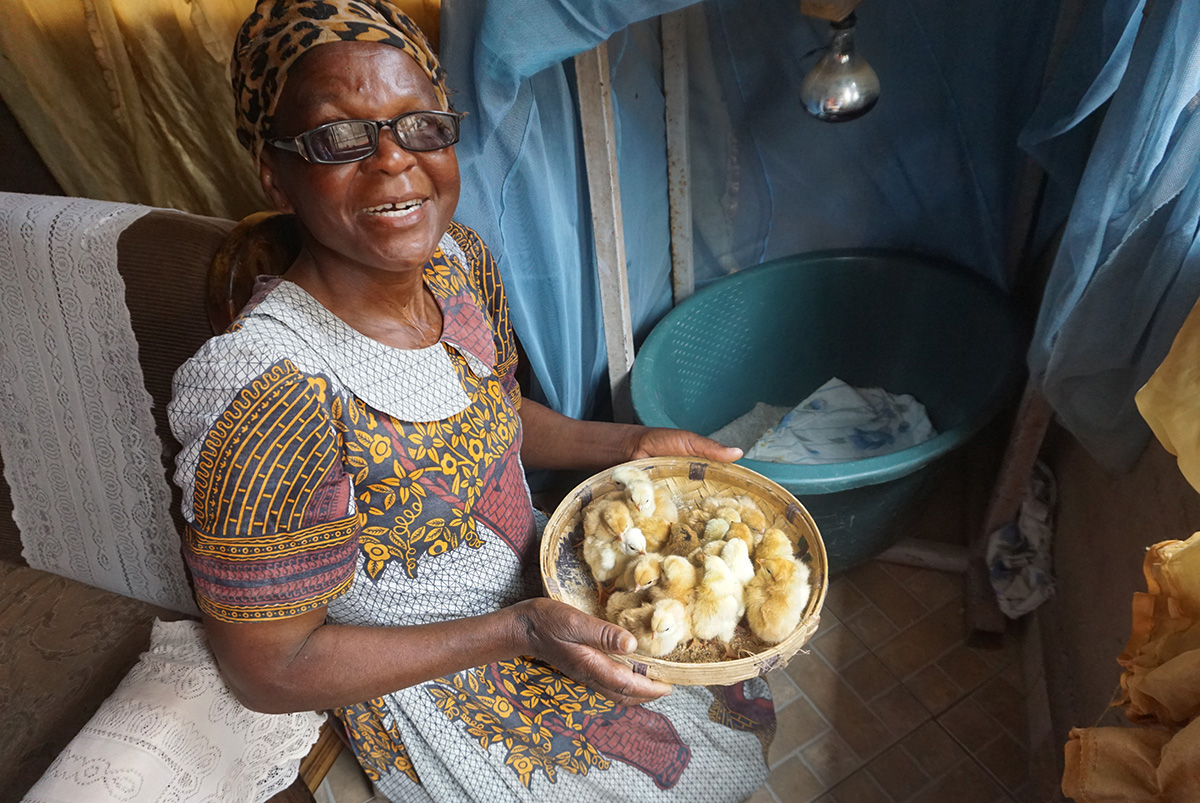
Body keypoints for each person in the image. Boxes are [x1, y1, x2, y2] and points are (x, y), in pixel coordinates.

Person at [168, 2, 774, 800]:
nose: (393, 161)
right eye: (339, 136)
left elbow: (494, 417)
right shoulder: (269, 394)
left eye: (419, 123)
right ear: (274, 169)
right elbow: (271, 668)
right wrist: (518, 631)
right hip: (432, 675)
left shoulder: (455, 265)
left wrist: (629, 446)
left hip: (533, 591)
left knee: (715, 687)